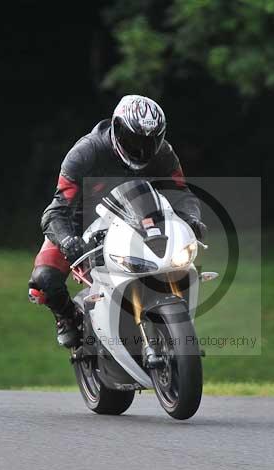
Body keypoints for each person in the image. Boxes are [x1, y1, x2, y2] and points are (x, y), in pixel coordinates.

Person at [28, 95, 207, 348]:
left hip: (139, 220)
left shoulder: (164, 153)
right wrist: (68, 240)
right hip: (82, 227)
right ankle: (67, 317)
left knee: (177, 263)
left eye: (150, 142)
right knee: (44, 280)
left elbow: (181, 194)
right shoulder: (86, 153)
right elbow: (55, 211)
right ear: (116, 128)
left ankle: (168, 323)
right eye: (133, 140)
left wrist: (192, 220)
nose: (141, 150)